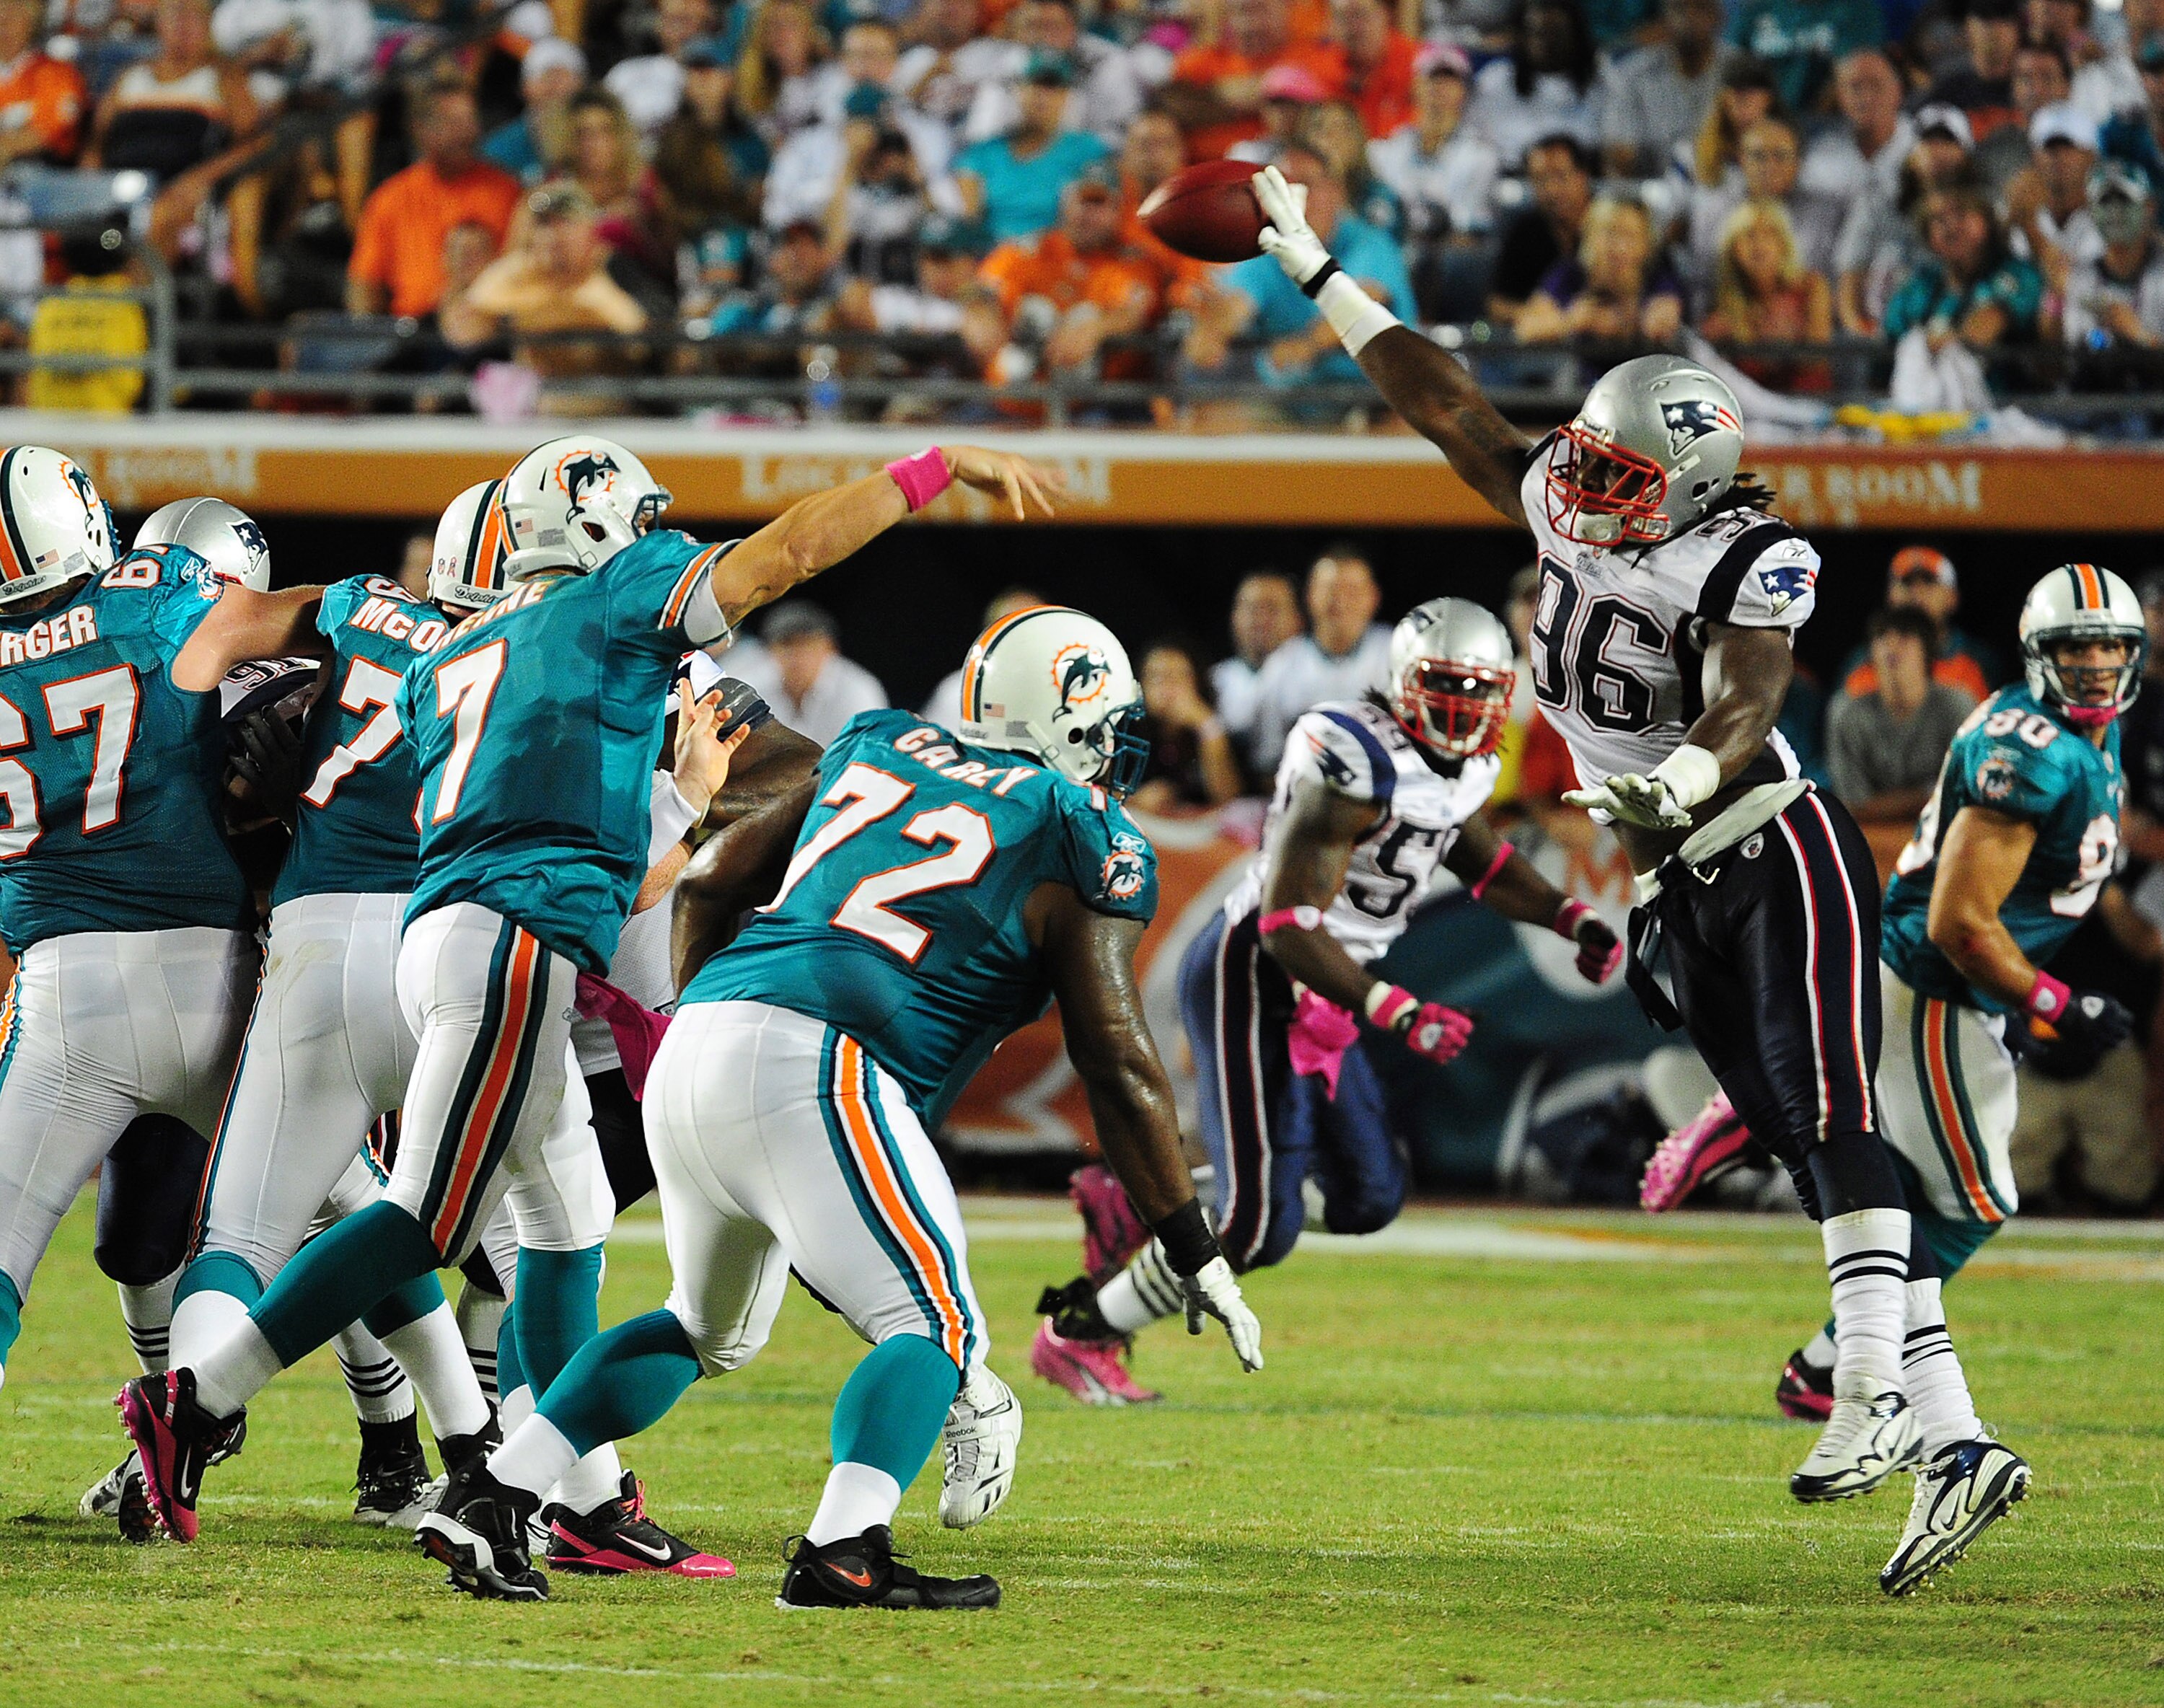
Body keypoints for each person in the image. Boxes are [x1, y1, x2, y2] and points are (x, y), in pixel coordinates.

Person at [1243, 159, 2025, 1591]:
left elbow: (1749, 689)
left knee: (1837, 1108)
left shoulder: (1746, 554)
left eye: (1621, 479)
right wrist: (1316, 270)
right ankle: (1957, 1436)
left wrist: (1684, 770)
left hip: (1773, 840)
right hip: (1685, 876)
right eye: (1587, 465)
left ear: (1699, 491)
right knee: (1805, 1137)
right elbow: (1450, 408)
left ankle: (1867, 1397)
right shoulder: (1573, 489)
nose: (1585, 492)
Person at [118, 436, 1068, 1548]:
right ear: (595, 523)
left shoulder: (458, 652)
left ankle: (557, 1492)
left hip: (464, 934)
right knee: (426, 1216)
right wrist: (928, 471)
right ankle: (198, 1404)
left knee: (565, 1226)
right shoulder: (616, 601)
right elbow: (787, 554)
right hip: (512, 946)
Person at [414, 602, 1263, 1606]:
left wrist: (705, 1013)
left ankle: (497, 1494)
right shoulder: (1077, 830)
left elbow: (715, 879)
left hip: (706, 1033)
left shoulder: (884, 742)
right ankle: (842, 1549)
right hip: (819, 1062)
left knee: (704, 1329)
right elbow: (1117, 1060)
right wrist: (1190, 1241)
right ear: (1069, 717)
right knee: (939, 1331)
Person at [1029, 599, 1621, 1406]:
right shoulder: (1350, 757)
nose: (1464, 710)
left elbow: (1479, 855)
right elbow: (1285, 925)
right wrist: (1398, 1009)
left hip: (1335, 992)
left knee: (1369, 1197)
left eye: (1481, 691)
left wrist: (1567, 914)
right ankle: (1078, 1332)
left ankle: (1141, 1197)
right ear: (1405, 684)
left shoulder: (1468, 768)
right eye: (1446, 687)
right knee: (1254, 1228)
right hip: (1259, 975)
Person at [0, 452, 331, 1455]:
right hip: (218, 975)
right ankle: (450, 1445)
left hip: (62, 988)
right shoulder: (153, 604)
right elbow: (303, 623)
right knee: (360, 1216)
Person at [1771, 568, 2143, 1428]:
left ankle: (1832, 1358)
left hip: (1956, 989)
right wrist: (2060, 1002)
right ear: (2038, 655)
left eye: (2110, 646)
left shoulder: (2083, 733)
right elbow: (1962, 925)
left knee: (1916, 1183)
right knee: (1977, 1201)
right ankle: (1836, 1361)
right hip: (1938, 983)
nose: (2094, 663)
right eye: (2076, 647)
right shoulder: (2036, 752)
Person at [1197, 145, 1412, 404]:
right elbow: (1237, 301)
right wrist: (1213, 331)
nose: (1293, 200)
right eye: (1282, 188)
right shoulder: (1268, 250)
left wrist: (1307, 346)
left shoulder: (1370, 244)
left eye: (1306, 186)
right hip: (1294, 405)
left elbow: (1362, 306)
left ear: (1336, 192)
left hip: (1380, 399)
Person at [977, 162, 1164, 387]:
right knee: (1036, 313)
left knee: (1086, 315)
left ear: (1118, 212)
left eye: (1100, 203)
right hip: (1005, 401)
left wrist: (1097, 327)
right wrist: (978, 310)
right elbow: (982, 288)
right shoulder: (1030, 250)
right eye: (1082, 202)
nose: (1089, 213)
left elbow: (1134, 311)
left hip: (1093, 407)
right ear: (1065, 204)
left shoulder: (1130, 262)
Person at [346, 82, 520, 319]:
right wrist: (369, 336)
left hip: (489, 324)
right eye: (451, 123)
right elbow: (364, 281)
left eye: (469, 120)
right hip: (415, 333)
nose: (465, 133)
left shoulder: (507, 190)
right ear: (420, 129)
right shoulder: (391, 197)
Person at [1826, 607, 1980, 827]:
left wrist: (1881, 805)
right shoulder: (1847, 713)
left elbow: (1967, 793)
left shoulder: (1957, 705)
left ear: (1927, 650)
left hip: (1942, 836)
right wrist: (1929, 794)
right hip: (1872, 840)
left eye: (1905, 636)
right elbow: (1852, 805)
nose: (1891, 646)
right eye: (1881, 637)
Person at [1245, 545, 1392, 774]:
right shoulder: (1282, 665)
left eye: (1352, 590)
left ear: (1374, 597)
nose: (1340, 601)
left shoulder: (1396, 654)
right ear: (1310, 595)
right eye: (1330, 589)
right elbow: (1267, 762)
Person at [87, 0, 263, 179]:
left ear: (207, 24)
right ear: (159, 23)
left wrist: (198, 181)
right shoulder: (130, 77)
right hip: (120, 185)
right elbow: (96, 142)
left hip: (186, 189)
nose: (182, 26)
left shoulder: (225, 78)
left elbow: (251, 144)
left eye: (193, 17)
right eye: (174, 15)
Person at [954, 50, 1110, 242]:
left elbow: (1093, 219)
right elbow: (968, 219)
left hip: (1057, 257)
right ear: (1018, 91)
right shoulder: (984, 153)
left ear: (1066, 97)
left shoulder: (1087, 151)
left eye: (1053, 87)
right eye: (1035, 85)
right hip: (992, 258)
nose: (1042, 96)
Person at [1161, 0, 1335, 162]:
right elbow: (1170, 107)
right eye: (1242, 11)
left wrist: (1217, 95)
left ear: (1286, 11)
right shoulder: (1197, 63)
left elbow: (1327, 113)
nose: (1251, 24)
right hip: (1205, 175)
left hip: (1288, 171)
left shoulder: (1316, 58)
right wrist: (1219, 93)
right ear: (1227, 17)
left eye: (1262, 10)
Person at [1367, 43, 1498, 247]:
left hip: (1444, 258)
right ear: (1415, 86)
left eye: (1450, 79)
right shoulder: (1383, 152)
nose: (1440, 87)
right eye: (1432, 77)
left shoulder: (1481, 158)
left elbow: (1469, 232)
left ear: (1463, 91)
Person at [1515, 193, 1684, 346]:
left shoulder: (1657, 275)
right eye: (1611, 233)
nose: (1621, 248)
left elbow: (1664, 319)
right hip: (1581, 377)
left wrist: (1624, 322)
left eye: (1631, 236)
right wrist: (1572, 321)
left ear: (1646, 244)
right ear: (1590, 235)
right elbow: (1526, 329)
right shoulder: (1570, 273)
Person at [1699, 198, 1831, 392]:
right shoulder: (1721, 298)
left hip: (1807, 400)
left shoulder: (1812, 287)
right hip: (1749, 407)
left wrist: (1783, 344)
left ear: (1783, 244)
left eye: (1769, 235)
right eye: (1749, 235)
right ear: (1734, 248)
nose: (1759, 245)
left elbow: (1818, 358)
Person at [1600, 0, 1740, 180]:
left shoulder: (1741, 71)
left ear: (1718, 17)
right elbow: (1619, 154)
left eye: (1700, 8)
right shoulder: (1634, 74)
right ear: (1664, 18)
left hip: (1725, 189)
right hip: (1654, 189)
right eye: (1680, 9)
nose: (1689, 18)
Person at [1840, 547, 2001, 702]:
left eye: (1928, 582)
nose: (1916, 593)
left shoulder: (1978, 661)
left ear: (1953, 597)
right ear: (1890, 596)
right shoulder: (1861, 662)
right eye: (1907, 583)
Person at [1465, 0, 1603, 171]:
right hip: (1507, 180)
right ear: (1521, 35)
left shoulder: (1600, 83)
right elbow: (1471, 143)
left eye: (1556, 32)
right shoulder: (1495, 81)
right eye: (1538, 32)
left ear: (1575, 35)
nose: (1548, 41)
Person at [731, 599, 889, 744]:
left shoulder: (858, 690)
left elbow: (869, 755)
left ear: (829, 648)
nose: (798, 656)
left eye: (807, 645)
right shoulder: (752, 688)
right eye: (788, 645)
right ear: (770, 650)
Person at [2056, 160, 2164, 350]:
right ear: (2090, 212)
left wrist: (2140, 336)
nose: (2114, 212)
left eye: (2124, 200)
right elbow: (2073, 356)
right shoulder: (2081, 277)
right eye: (2105, 201)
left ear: (2149, 207)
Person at [1487, 131, 1592, 327]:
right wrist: (1552, 321)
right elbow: (1498, 305)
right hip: (1540, 345)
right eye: (1540, 180)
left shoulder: (1613, 223)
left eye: (1560, 177)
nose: (1551, 190)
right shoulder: (1525, 231)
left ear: (1582, 176)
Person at [1128, 642, 1243, 810]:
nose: (1168, 688)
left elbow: (1229, 801)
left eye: (1179, 677)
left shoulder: (1215, 726)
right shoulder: (1127, 730)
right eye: (1157, 677)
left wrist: (1207, 727)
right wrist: (1136, 799)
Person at [1798, 47, 1913, 210]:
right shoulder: (1820, 158)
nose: (1866, 98)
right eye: (1855, 87)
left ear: (1897, 91)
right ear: (1840, 96)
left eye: (1876, 85)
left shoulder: (1923, 144)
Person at [1723, 0, 1882, 117]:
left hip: (1831, 125)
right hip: (1763, 121)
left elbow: (1862, 74)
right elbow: (1733, 74)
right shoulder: (1756, 9)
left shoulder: (1858, 9)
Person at [1213, 569, 1303, 765]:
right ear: (1234, 617)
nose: (1260, 619)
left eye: (1272, 608)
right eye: (1251, 608)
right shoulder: (1216, 680)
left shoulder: (1314, 670)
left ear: (1297, 619)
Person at [482, 37, 587, 184]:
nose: (555, 85)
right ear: (525, 88)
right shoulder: (500, 148)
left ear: (583, 86)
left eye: (563, 75)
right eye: (545, 75)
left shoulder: (598, 140)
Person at [603, 0, 714, 138]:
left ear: (707, 27)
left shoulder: (718, 76)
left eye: (690, 21)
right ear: (658, 25)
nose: (682, 30)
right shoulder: (626, 73)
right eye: (673, 20)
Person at [0, 0, 89, 167]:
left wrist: (6, 146)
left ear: (32, 23)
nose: (4, 24)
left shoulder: (58, 73)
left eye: (15, 16)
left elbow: (47, 133)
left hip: (37, 169)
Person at [1316, 0, 1416, 144]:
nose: (1354, 27)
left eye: (1360, 15)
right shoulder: (1320, 72)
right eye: (1343, 17)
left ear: (1385, 14)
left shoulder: (1417, 64)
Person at [1925, 0, 2021, 141]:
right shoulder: (1948, 90)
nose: (1994, 31)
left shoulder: (2034, 84)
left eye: (2003, 21)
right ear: (1968, 28)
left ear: (2017, 30)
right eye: (1985, 20)